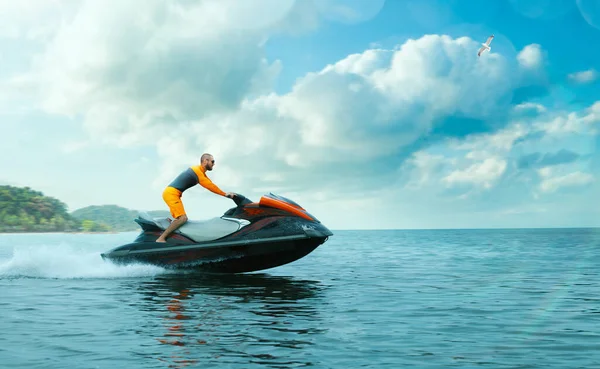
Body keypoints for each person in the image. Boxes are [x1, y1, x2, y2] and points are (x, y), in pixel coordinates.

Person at [156, 153, 235, 243]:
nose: (214, 164)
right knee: (183, 219)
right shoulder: (197, 171)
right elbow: (210, 186)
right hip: (171, 194)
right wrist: (225, 194)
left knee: (180, 218)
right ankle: (161, 239)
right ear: (205, 161)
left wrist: (226, 193)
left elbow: (210, 183)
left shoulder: (200, 172)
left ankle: (174, 238)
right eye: (212, 161)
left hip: (171, 193)